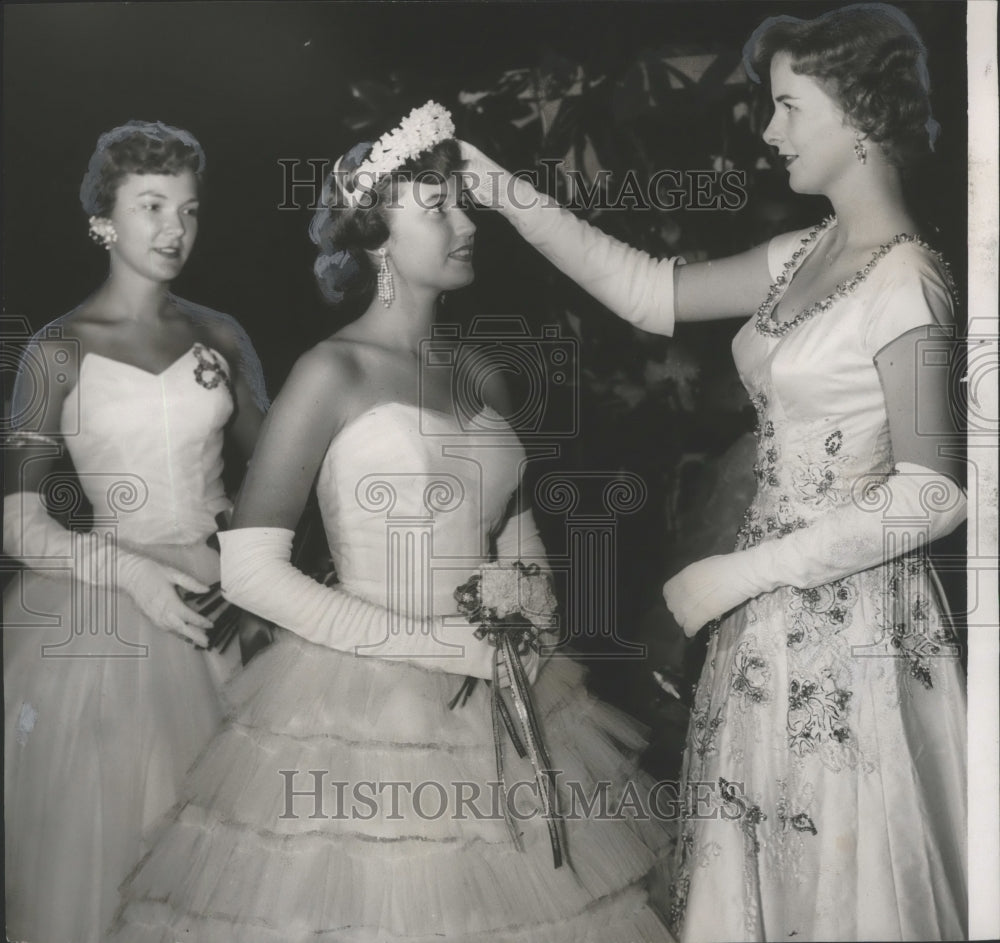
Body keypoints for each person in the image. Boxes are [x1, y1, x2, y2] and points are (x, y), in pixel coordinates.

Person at [106, 102, 674, 942]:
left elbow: (513, 529)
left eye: (462, 201)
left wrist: (533, 604)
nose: (463, 221)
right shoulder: (329, 372)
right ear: (375, 235)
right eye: (435, 205)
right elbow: (252, 571)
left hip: (508, 689)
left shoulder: (484, 373)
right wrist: (445, 645)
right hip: (365, 702)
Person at [458, 4, 967, 940]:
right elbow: (646, 290)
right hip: (764, 621)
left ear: (859, 112)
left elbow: (933, 491)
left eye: (788, 108)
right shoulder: (803, 252)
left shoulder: (909, 280)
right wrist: (499, 189)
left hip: (850, 628)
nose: (767, 132)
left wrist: (735, 574)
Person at [3, 120, 268, 943]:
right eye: (152, 206)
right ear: (103, 219)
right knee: (130, 838)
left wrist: (262, 578)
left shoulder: (220, 333)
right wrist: (128, 574)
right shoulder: (56, 350)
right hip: (107, 613)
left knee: (247, 851)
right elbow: (15, 517)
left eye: (189, 210)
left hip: (230, 596)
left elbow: (279, 484)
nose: (174, 230)